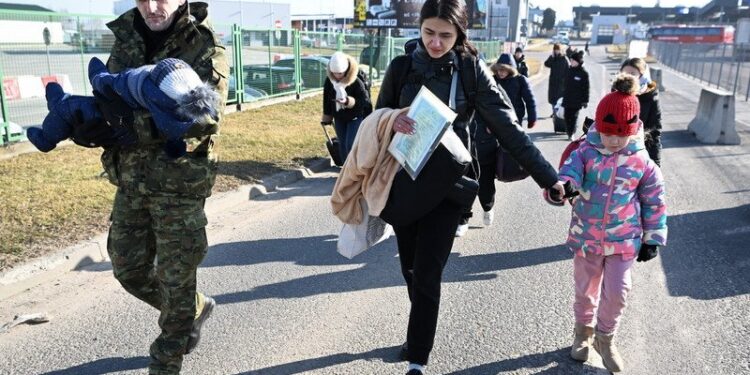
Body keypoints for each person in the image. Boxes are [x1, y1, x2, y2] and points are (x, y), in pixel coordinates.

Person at [376, 0, 565, 373]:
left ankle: (417, 357)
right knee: (411, 268)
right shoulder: (400, 68)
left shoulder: (470, 70)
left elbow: (508, 127)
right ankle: (418, 332)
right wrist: (392, 121)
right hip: (404, 182)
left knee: (429, 272)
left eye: (445, 35)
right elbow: (376, 119)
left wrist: (549, 176)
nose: (435, 42)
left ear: (460, 34)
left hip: (450, 184)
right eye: (428, 32)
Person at [98, 1, 229, 374]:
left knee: (176, 282)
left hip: (178, 184)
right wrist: (92, 124)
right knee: (129, 270)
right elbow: (109, 96)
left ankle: (166, 362)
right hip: (131, 180)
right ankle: (194, 307)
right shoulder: (125, 39)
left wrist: (127, 124)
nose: (153, 7)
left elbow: (204, 118)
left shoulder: (204, 45)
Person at [555, 74, 667, 373]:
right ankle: (582, 335)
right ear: (599, 127)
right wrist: (564, 186)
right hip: (587, 237)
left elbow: (655, 200)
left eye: (621, 134)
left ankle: (606, 338)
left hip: (623, 239)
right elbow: (569, 173)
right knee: (585, 290)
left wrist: (652, 238)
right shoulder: (585, 152)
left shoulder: (643, 162)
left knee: (618, 292)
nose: (614, 140)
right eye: (607, 132)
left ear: (632, 131)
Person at [321, 51, 371, 162]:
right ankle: (345, 169)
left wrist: (348, 101)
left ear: (346, 70)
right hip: (339, 117)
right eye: (334, 73)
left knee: (351, 143)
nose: (337, 76)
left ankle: (354, 168)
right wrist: (326, 116)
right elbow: (326, 99)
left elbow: (365, 101)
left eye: (340, 73)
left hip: (355, 116)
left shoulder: (356, 81)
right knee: (342, 145)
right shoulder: (330, 81)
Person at [620, 57, 663, 166]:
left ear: (642, 75)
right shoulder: (615, 94)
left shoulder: (651, 97)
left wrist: (655, 164)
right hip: (616, 152)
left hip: (640, 155)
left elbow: (654, 133)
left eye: (632, 74)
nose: (628, 78)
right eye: (625, 74)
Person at [561, 51, 589, 140]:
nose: (571, 62)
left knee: (573, 117)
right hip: (567, 99)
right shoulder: (569, 71)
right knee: (566, 116)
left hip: (577, 101)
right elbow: (563, 84)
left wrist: (585, 101)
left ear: (578, 61)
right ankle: (569, 131)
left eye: (573, 61)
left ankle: (571, 133)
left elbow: (586, 88)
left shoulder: (583, 73)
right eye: (571, 60)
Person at [544, 43, 569, 118]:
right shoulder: (553, 58)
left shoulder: (564, 59)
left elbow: (568, 70)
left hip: (561, 83)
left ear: (560, 50)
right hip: (553, 82)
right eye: (555, 50)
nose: (556, 51)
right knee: (552, 99)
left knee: (559, 99)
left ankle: (557, 113)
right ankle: (554, 112)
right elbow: (546, 64)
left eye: (557, 50)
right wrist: (551, 57)